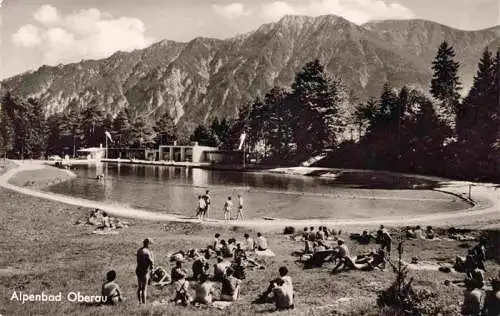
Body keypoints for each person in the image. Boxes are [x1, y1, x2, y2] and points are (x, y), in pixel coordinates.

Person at [136, 238, 154, 304]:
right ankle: (144, 304)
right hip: (144, 271)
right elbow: (151, 261)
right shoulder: (147, 252)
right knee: (144, 288)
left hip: (138, 269)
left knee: (139, 287)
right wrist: (152, 268)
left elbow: (138, 260)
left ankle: (139, 302)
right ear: (148, 244)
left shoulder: (139, 250)